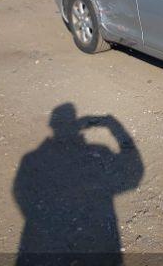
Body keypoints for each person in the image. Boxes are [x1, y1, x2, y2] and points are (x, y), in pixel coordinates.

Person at [13, 103, 143, 265]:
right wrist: (112, 125)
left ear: (52, 125)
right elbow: (134, 174)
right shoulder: (100, 152)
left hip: (45, 243)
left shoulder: (32, 159)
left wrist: (43, 220)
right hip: (96, 244)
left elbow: (21, 193)